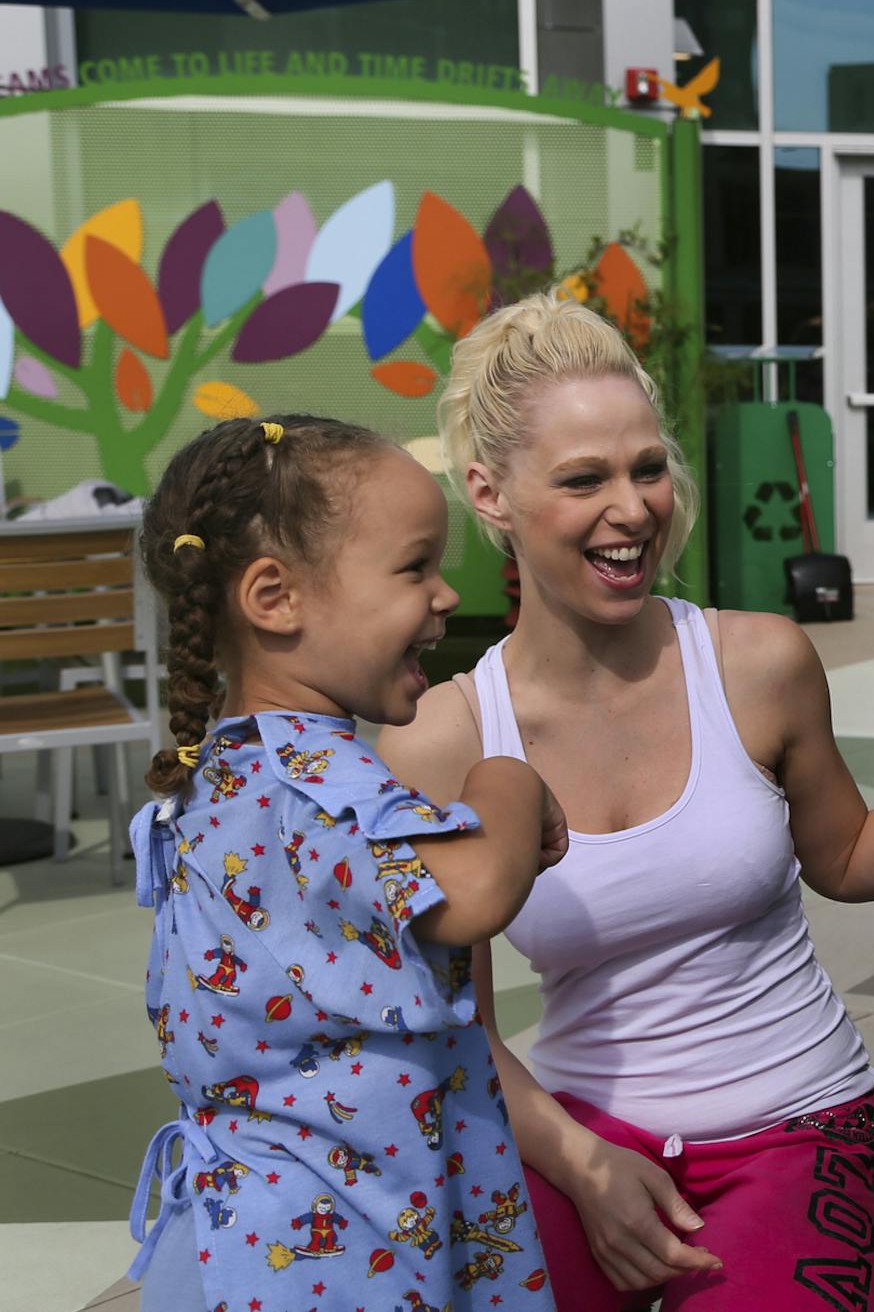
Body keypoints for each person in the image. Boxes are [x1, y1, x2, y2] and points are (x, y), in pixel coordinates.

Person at [378, 294, 874, 1311]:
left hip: (800, 1126)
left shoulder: (759, 662)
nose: (632, 509)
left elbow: (842, 856)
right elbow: (457, 1029)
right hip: (572, 1134)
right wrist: (583, 1170)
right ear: (490, 495)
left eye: (647, 468)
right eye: (585, 479)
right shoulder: (440, 741)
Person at [124, 415, 569, 1312]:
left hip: (241, 1248)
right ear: (275, 597)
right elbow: (474, 891)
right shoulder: (317, 778)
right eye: (415, 568)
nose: (445, 595)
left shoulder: (227, 772)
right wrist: (508, 780)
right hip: (321, 1263)